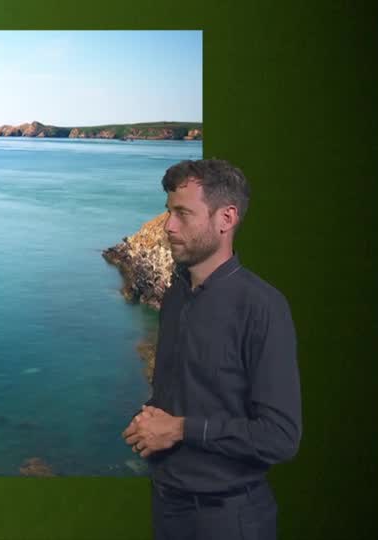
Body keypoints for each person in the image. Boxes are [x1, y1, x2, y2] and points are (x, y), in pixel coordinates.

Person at [121, 159, 302, 540]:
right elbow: (184, 391)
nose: (168, 225)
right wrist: (150, 421)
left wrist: (180, 430)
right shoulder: (174, 296)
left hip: (229, 520)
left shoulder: (262, 307)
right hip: (167, 508)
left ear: (226, 218)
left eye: (183, 213)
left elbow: (280, 437)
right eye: (169, 211)